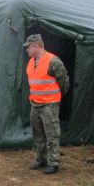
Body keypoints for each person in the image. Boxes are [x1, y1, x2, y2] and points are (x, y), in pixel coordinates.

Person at [23, 34, 69, 175]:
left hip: (49, 104)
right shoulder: (31, 61)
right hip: (35, 103)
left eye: (28, 47)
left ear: (36, 46)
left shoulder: (53, 61)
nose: (27, 50)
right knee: (38, 134)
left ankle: (53, 162)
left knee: (52, 134)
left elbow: (64, 82)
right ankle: (41, 159)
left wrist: (56, 97)